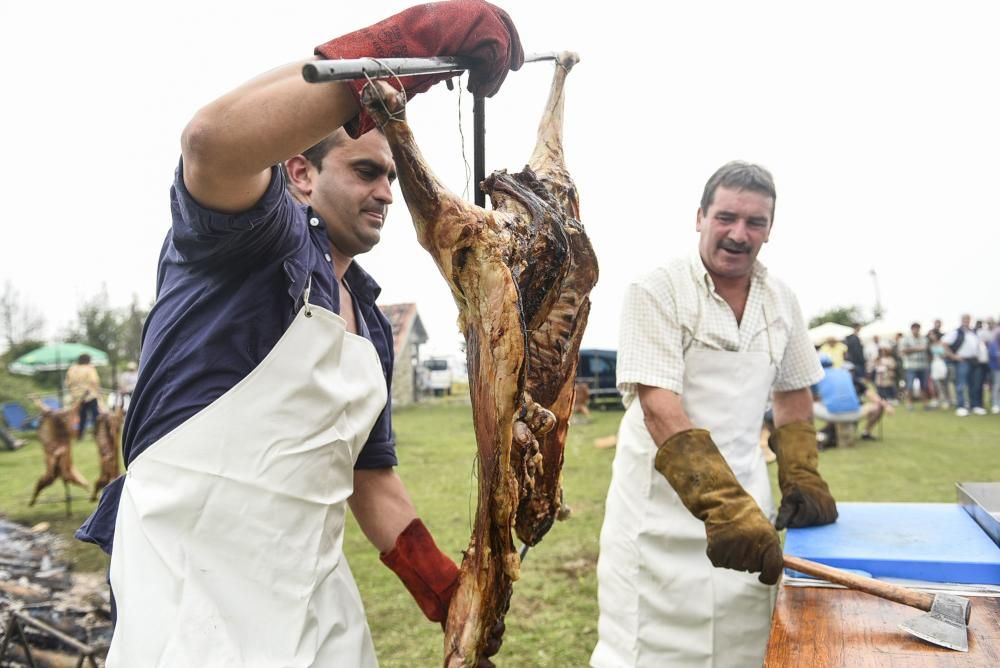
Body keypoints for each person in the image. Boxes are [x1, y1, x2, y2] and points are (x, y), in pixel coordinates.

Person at [76, 3, 522, 666]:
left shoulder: (370, 321)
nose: (387, 194)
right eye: (366, 170)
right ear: (300, 173)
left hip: (316, 601)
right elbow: (210, 142)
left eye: (391, 177)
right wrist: (405, 51)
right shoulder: (255, 241)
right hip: (194, 592)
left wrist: (445, 592)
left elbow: (372, 482)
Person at [592, 162, 837, 668]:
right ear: (700, 216)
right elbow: (659, 405)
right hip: (659, 517)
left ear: (770, 229)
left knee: (743, 646)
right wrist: (723, 506)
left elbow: (792, 394)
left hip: (748, 507)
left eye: (755, 222)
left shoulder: (781, 299)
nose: (738, 234)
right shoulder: (656, 289)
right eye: (726, 217)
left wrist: (802, 474)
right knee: (648, 653)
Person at [944, 314, 980, 416]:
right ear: (961, 320)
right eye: (965, 319)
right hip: (962, 361)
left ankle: (974, 406)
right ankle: (961, 406)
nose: (967, 321)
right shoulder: (956, 332)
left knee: (973, 384)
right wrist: (953, 356)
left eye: (968, 319)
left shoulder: (973, 332)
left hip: (973, 361)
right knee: (961, 384)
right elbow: (944, 344)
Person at [65, 353, 102, 439]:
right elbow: (94, 381)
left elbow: (68, 383)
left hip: (78, 397)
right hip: (90, 396)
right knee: (95, 416)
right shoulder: (90, 369)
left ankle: (80, 435)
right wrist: (98, 392)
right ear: (88, 360)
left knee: (82, 416)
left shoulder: (72, 369)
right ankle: (97, 434)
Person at [899, 322, 930, 410]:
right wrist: (917, 348)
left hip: (923, 365)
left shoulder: (924, 338)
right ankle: (909, 403)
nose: (916, 330)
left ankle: (925, 403)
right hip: (910, 366)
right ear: (912, 329)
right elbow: (902, 350)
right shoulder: (905, 339)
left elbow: (926, 349)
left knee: (924, 385)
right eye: (915, 328)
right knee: (910, 385)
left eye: (918, 328)